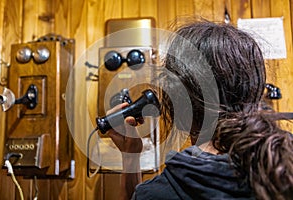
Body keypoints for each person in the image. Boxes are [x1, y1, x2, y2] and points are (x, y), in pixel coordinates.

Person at [106, 20, 293, 200]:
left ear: (179, 108)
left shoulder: (157, 193)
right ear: (255, 92)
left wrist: (130, 157)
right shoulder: (283, 162)